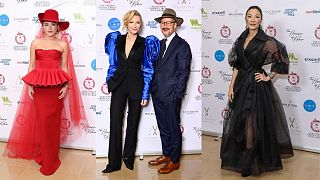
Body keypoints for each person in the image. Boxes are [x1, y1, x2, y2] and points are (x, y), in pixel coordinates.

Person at [3, 9, 86, 175]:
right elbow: (32, 66)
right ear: (42, 26)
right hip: (40, 87)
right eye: (46, 24)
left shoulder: (63, 44)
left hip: (56, 89)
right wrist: (29, 86)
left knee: (53, 124)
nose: (49, 27)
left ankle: (51, 159)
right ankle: (44, 155)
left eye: (53, 24)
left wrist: (65, 86)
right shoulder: (35, 43)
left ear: (57, 27)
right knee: (42, 124)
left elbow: (64, 67)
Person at [220, 6, 294, 177]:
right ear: (245, 18)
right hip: (240, 84)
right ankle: (244, 154)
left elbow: (281, 54)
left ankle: (251, 159)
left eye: (257, 16)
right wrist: (231, 87)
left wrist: (270, 76)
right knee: (241, 120)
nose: (253, 19)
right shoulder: (240, 39)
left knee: (252, 122)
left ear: (261, 20)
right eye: (250, 16)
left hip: (256, 85)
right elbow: (237, 66)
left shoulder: (265, 40)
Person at [102, 10, 159, 173]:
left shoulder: (145, 42)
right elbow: (112, 63)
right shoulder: (116, 39)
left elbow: (148, 69)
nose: (135, 25)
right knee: (115, 123)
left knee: (133, 123)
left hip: (136, 85)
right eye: (132, 22)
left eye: (138, 22)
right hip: (119, 84)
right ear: (126, 23)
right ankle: (113, 163)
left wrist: (145, 93)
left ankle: (128, 158)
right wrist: (109, 82)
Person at [148, 8, 192, 174]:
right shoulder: (158, 44)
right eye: (162, 23)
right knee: (163, 126)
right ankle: (166, 154)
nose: (165, 25)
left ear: (175, 25)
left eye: (168, 23)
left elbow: (183, 72)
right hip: (157, 92)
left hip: (172, 94)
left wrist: (177, 94)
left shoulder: (182, 46)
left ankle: (174, 160)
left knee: (173, 127)